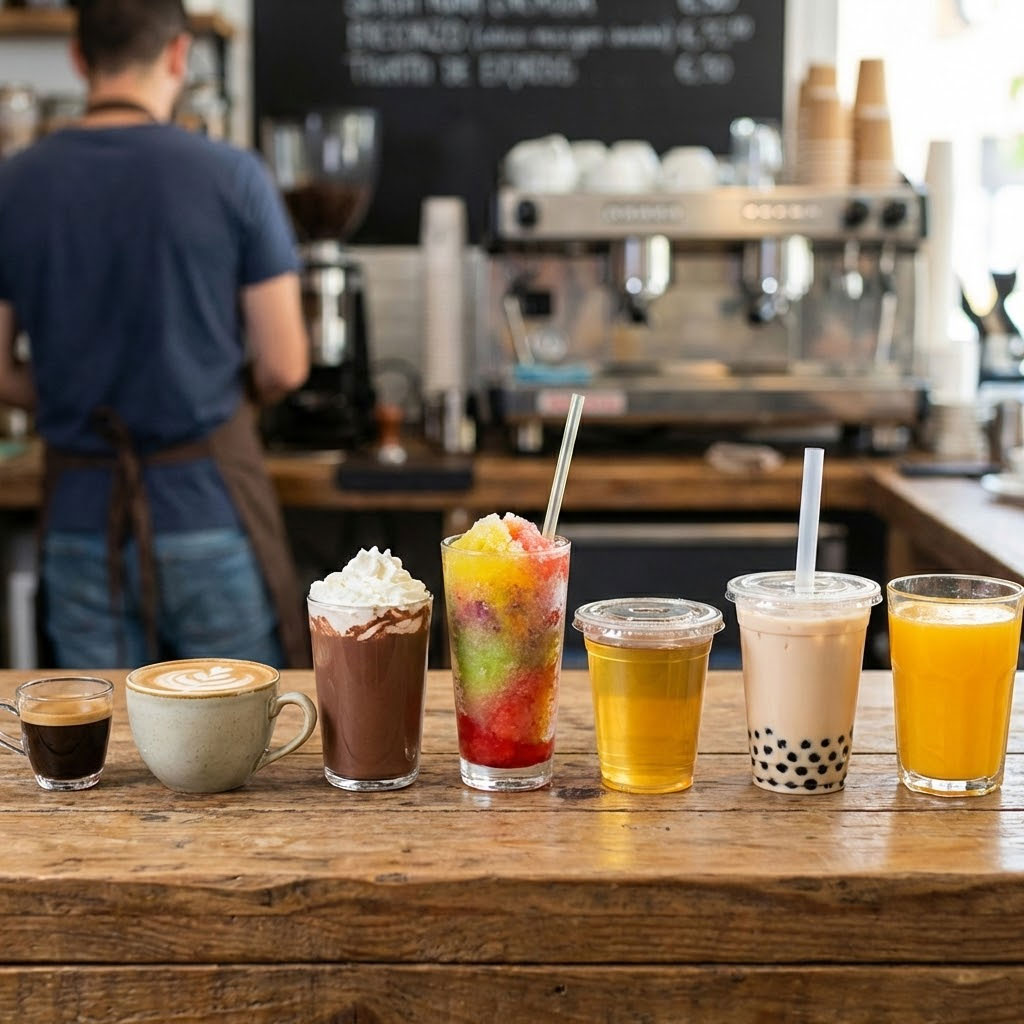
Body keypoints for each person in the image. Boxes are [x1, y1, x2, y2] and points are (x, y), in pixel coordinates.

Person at [0, 0, 311, 669]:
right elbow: (285, 364)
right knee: (243, 745)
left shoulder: (13, 183)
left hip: (81, 518)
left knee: (105, 754)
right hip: (207, 507)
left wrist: (61, 398)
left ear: (79, 59)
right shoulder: (234, 175)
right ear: (178, 55)